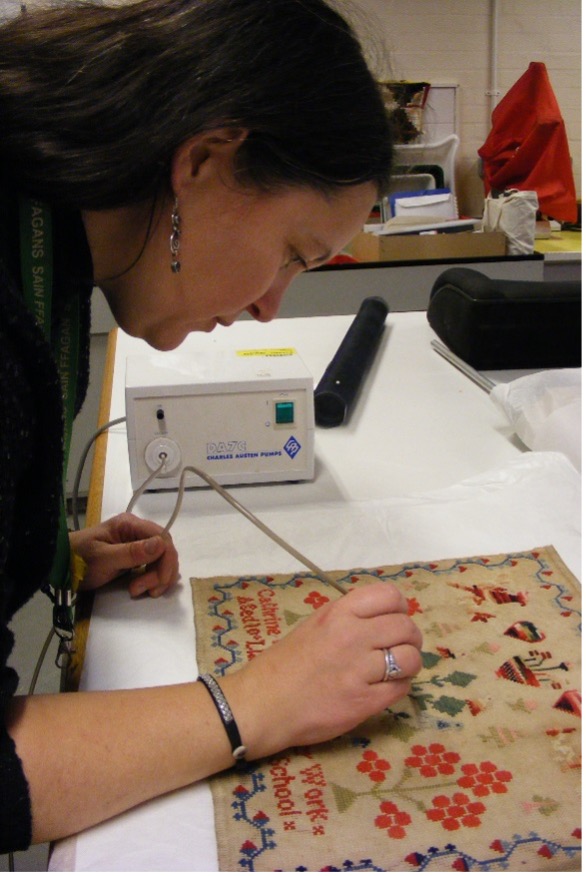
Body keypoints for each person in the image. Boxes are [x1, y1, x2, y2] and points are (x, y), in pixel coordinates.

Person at [0, 0, 423, 853]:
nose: (272, 307)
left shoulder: (44, 229)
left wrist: (40, 547)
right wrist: (258, 701)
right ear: (204, 160)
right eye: (295, 253)